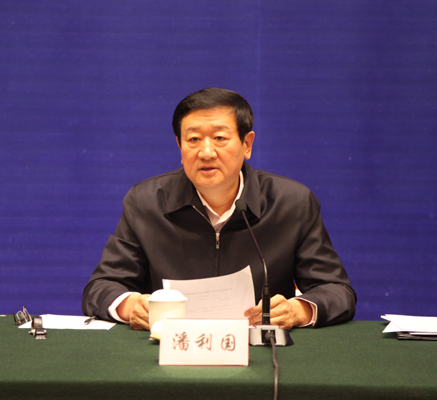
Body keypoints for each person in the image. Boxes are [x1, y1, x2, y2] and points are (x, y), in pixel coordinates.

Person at [82, 88, 356, 331]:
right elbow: (101, 287)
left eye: (220, 138)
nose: (206, 152)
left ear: (246, 144)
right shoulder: (146, 202)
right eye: (193, 139)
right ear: (179, 146)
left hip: (259, 353)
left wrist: (297, 310)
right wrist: (130, 305)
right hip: (169, 353)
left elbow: (337, 291)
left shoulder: (292, 203)